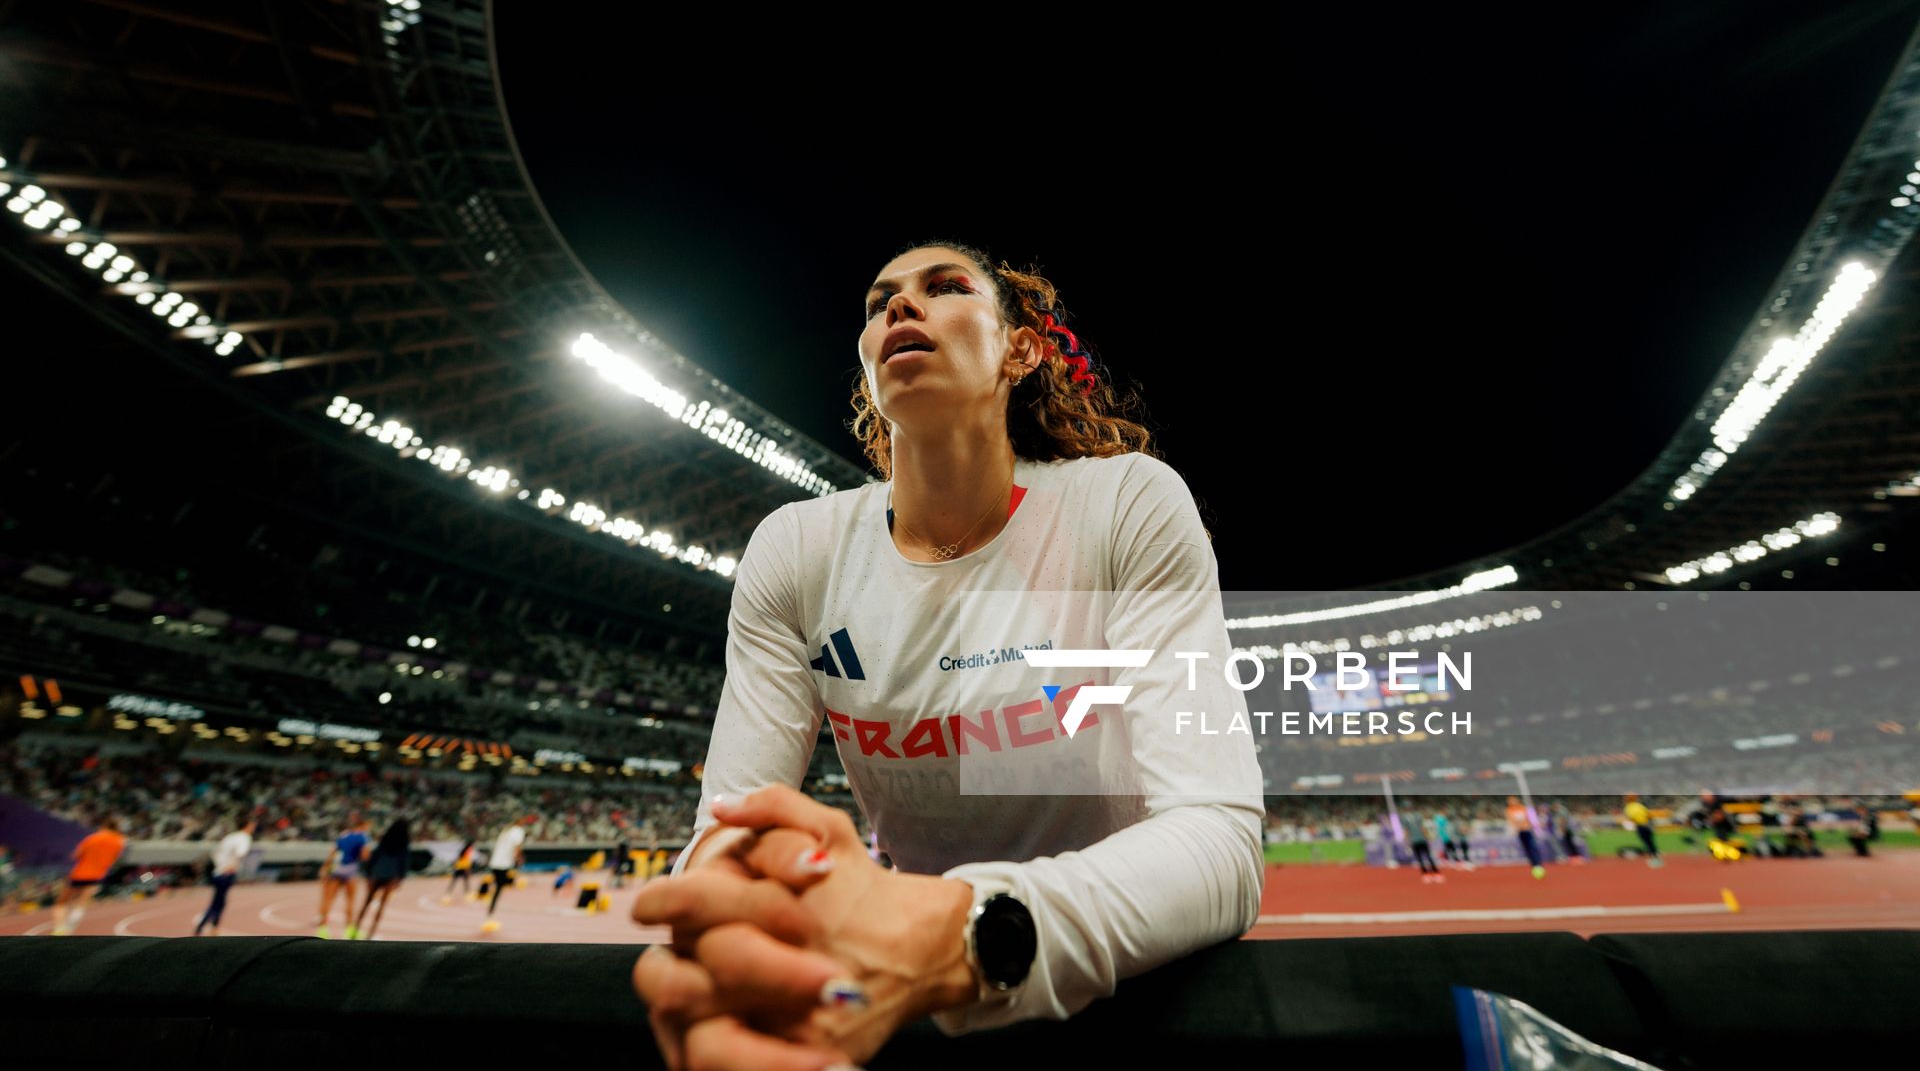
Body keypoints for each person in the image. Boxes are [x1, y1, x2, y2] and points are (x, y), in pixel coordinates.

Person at [629, 241, 1264, 1070]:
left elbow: (1220, 841)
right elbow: (728, 822)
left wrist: (959, 933)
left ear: (1020, 350)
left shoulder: (1127, 505)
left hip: (1125, 997)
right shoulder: (795, 549)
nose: (899, 306)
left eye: (945, 287)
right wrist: (738, 901)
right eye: (878, 301)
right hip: (902, 1002)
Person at [50, 816, 127, 935]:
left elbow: (76, 855)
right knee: (81, 903)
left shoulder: (93, 838)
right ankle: (70, 929)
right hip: (97, 876)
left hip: (80, 874)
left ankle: (59, 928)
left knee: (61, 903)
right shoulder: (119, 842)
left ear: (104, 826)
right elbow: (115, 859)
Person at [194, 816, 256, 936]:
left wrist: (220, 866)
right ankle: (203, 926)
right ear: (248, 826)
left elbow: (216, 852)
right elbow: (241, 853)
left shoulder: (230, 837)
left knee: (219, 901)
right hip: (226, 874)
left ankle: (213, 927)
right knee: (218, 902)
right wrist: (230, 867)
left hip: (218, 872)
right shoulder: (244, 837)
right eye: (252, 825)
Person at [355, 817, 410, 940]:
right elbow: (403, 861)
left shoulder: (386, 839)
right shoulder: (404, 842)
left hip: (378, 871)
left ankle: (356, 928)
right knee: (382, 905)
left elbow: (375, 855)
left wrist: (368, 873)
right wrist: (400, 878)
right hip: (391, 874)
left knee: (366, 902)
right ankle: (371, 932)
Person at [316, 815, 370, 939]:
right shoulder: (362, 837)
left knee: (327, 900)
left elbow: (333, 852)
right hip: (350, 870)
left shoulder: (343, 835)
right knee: (350, 901)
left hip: (335, 869)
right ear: (362, 826)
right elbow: (364, 856)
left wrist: (324, 868)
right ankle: (350, 931)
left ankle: (322, 930)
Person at [483, 813, 532, 931]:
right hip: (503, 864)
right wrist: (520, 859)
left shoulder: (506, 831)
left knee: (500, 886)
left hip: (495, 862)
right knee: (500, 887)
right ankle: (490, 914)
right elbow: (517, 847)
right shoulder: (518, 831)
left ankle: (490, 911)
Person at [1507, 796, 1544, 879]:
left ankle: (1538, 864)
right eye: (1510, 801)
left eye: (1513, 800)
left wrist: (1534, 826)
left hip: (1527, 831)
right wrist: (1517, 824)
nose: (1511, 802)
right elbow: (1511, 821)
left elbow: (1530, 819)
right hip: (1520, 832)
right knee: (1527, 849)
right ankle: (1534, 865)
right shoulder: (1509, 810)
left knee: (1533, 847)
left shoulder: (1523, 808)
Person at [1624, 794, 1661, 868]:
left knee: (1646, 842)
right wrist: (1650, 823)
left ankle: (1655, 859)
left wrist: (1632, 825)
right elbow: (1649, 815)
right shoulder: (1640, 805)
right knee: (1651, 841)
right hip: (1647, 825)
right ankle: (1656, 855)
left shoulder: (1628, 807)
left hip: (1640, 826)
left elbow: (1631, 818)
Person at [1405, 811, 1441, 883]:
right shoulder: (1409, 819)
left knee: (1425, 857)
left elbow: (1423, 829)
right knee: (1424, 857)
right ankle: (1430, 873)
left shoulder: (1415, 818)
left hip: (1420, 840)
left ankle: (1432, 873)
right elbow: (1408, 831)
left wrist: (1408, 841)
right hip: (1417, 841)